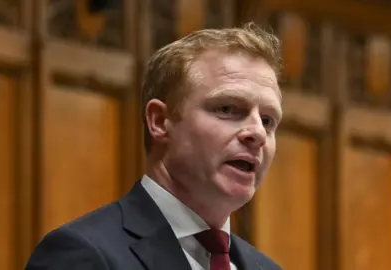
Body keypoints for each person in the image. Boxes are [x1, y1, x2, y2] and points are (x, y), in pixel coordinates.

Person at [26, 22, 283, 270]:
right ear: (160, 121)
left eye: (268, 120)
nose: (258, 133)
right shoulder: (83, 255)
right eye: (227, 109)